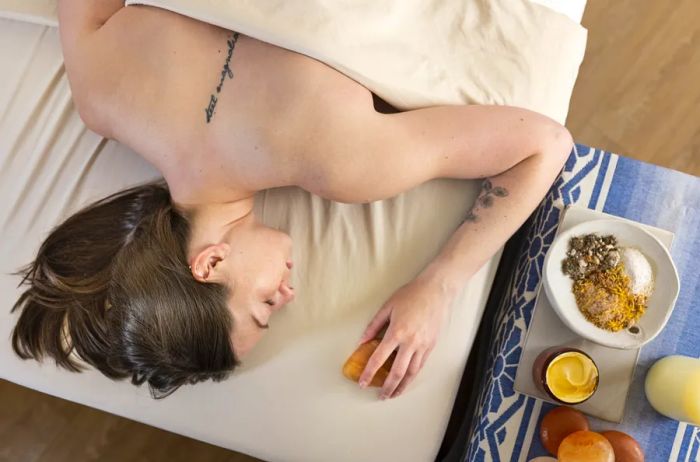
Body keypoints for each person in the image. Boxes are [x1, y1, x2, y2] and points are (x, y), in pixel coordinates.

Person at [11, 0, 574, 399]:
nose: (287, 292)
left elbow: (543, 146)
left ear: (208, 263)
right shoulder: (99, 94)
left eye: (263, 306)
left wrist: (440, 283)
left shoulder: (341, 163)